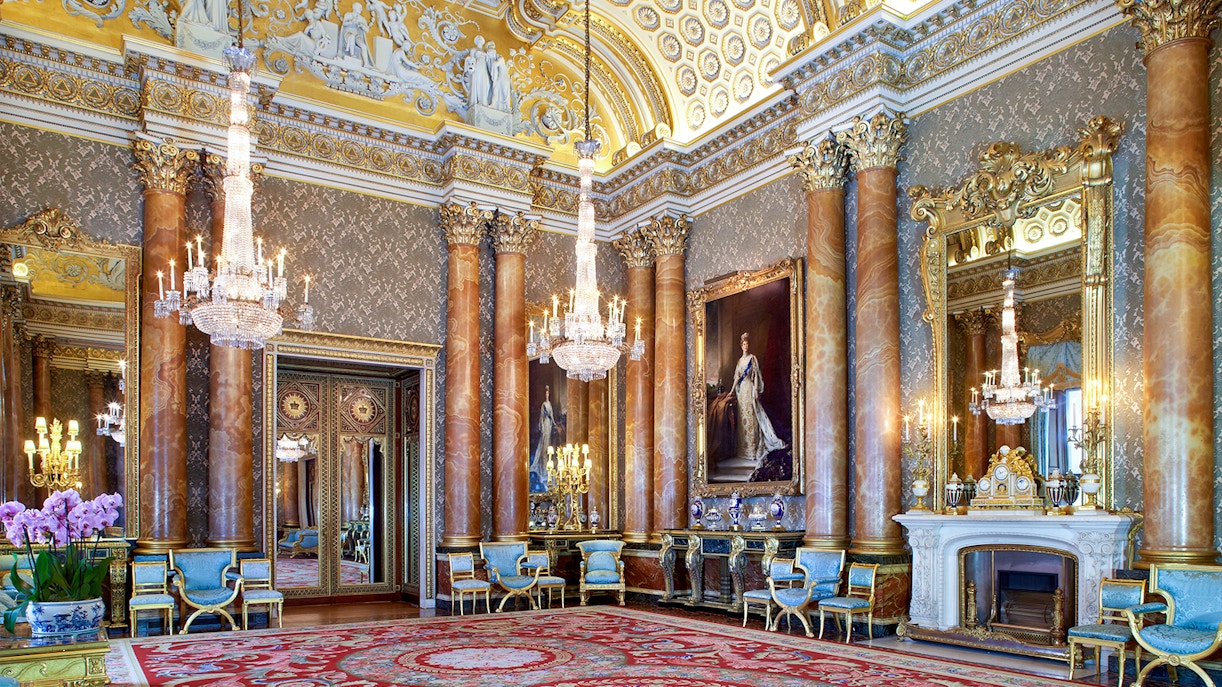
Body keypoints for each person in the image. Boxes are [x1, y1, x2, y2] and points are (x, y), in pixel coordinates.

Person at [732, 332, 786, 466]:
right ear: (741, 346)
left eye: (747, 344)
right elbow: (737, 378)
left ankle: (753, 449)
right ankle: (744, 450)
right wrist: (732, 391)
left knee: (752, 418)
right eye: (744, 344)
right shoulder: (739, 361)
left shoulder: (752, 358)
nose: (746, 346)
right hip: (742, 392)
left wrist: (756, 390)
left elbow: (756, 375)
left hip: (750, 389)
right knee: (743, 418)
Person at [529, 385, 556, 492]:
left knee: (548, 443)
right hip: (545, 423)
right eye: (546, 394)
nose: (547, 395)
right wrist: (541, 426)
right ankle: (543, 465)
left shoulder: (550, 404)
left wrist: (554, 423)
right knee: (544, 442)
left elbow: (552, 415)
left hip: (549, 423)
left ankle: (547, 463)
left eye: (548, 394)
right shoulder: (543, 405)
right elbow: (541, 416)